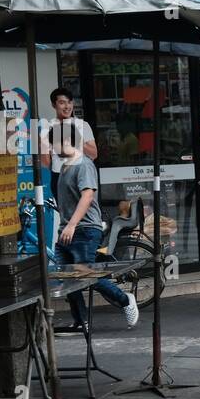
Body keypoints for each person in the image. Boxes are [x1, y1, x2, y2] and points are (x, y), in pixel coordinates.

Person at [48, 134, 139, 334]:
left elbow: (88, 195)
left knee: (84, 276)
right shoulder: (65, 167)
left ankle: (125, 299)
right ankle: (81, 322)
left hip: (85, 230)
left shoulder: (83, 164)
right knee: (67, 278)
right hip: (66, 230)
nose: (52, 149)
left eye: (54, 143)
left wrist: (72, 224)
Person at [38, 88, 96, 193]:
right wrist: (43, 146)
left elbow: (94, 154)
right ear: (53, 105)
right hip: (58, 175)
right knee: (64, 209)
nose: (67, 107)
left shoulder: (83, 125)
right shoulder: (48, 128)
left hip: (81, 174)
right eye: (62, 103)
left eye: (69, 102)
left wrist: (77, 141)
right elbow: (45, 163)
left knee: (85, 207)